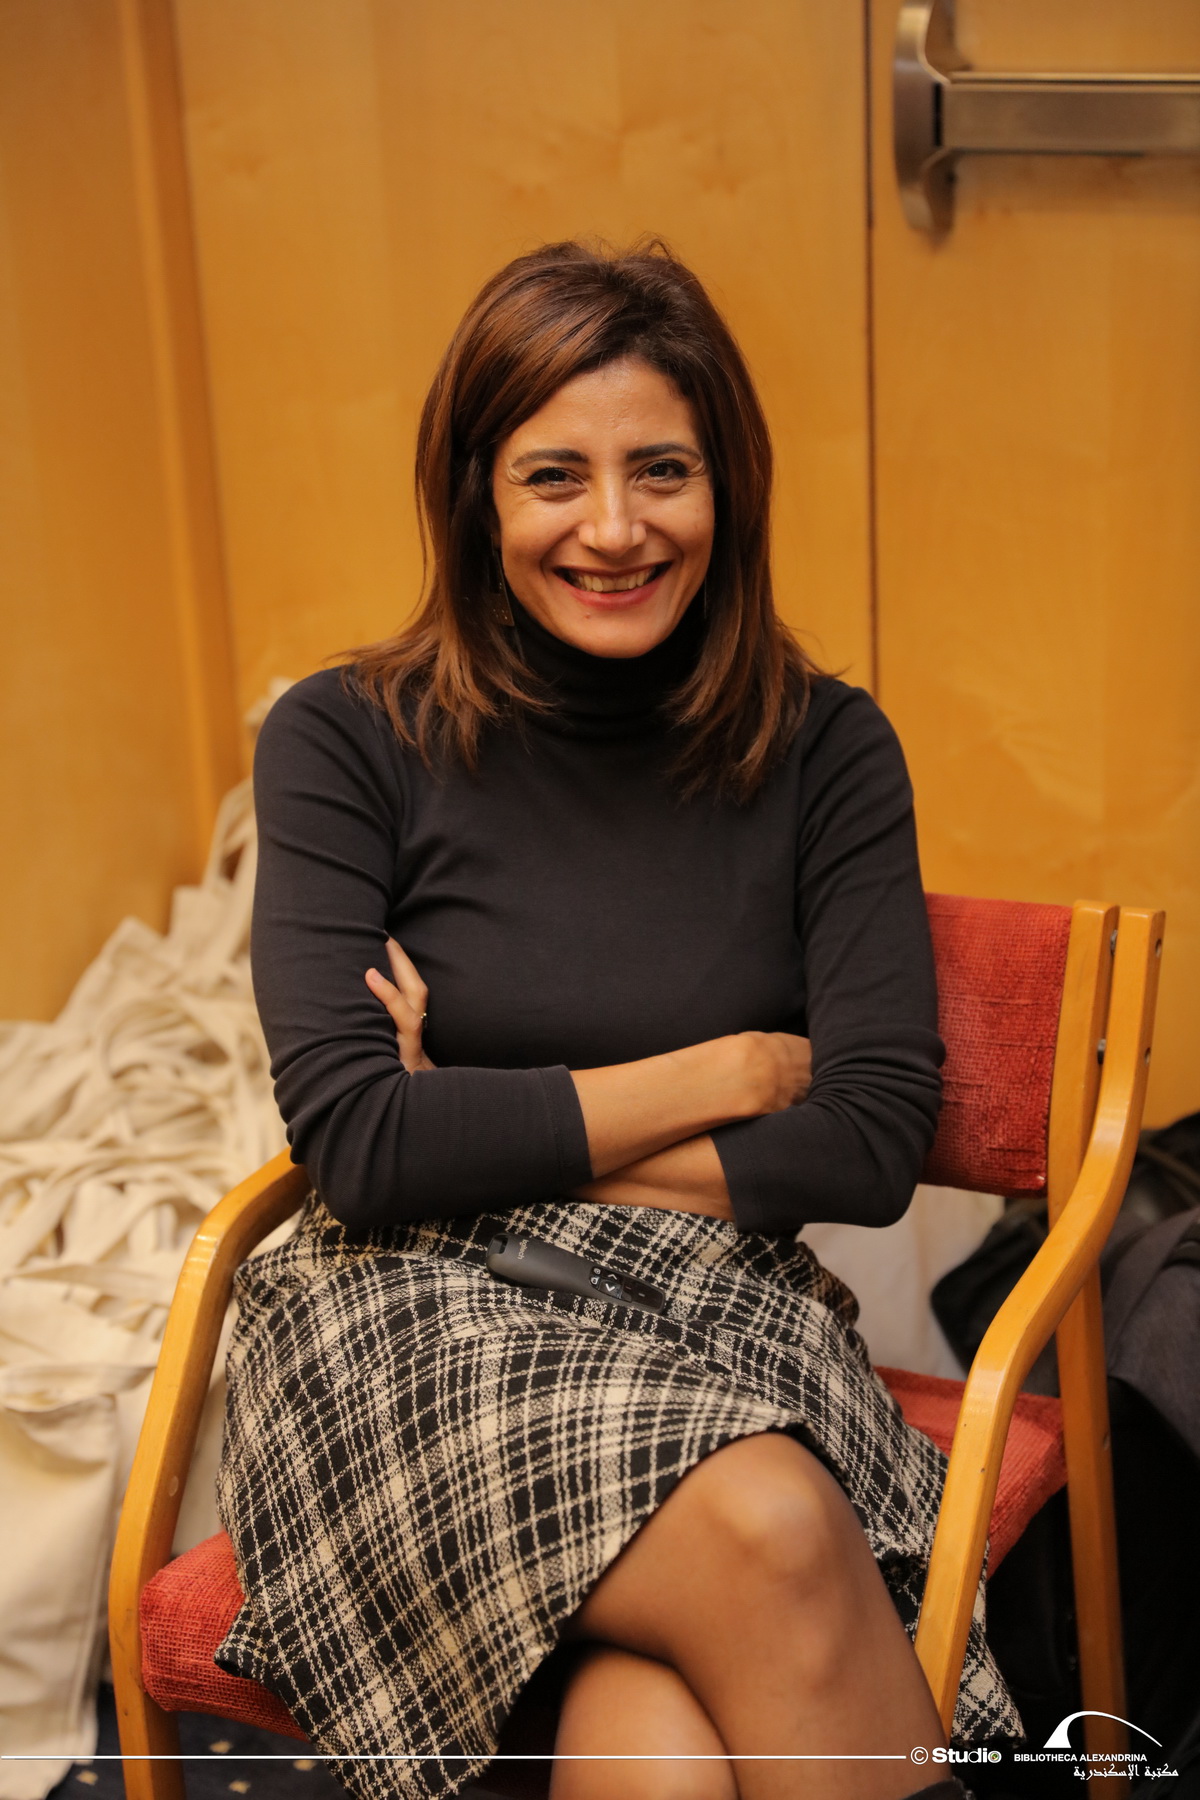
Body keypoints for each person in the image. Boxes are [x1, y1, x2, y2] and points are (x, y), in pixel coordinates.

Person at [216, 241, 1018, 1800]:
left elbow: (865, 1147)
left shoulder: (828, 751)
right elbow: (364, 1154)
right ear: (474, 494)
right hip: (410, 1319)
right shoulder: (344, 739)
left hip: (715, 1316)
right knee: (772, 1527)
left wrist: (475, 1119)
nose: (612, 528)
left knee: (655, 1746)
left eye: (662, 469)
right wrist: (726, 1072)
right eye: (552, 476)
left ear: (730, 488)